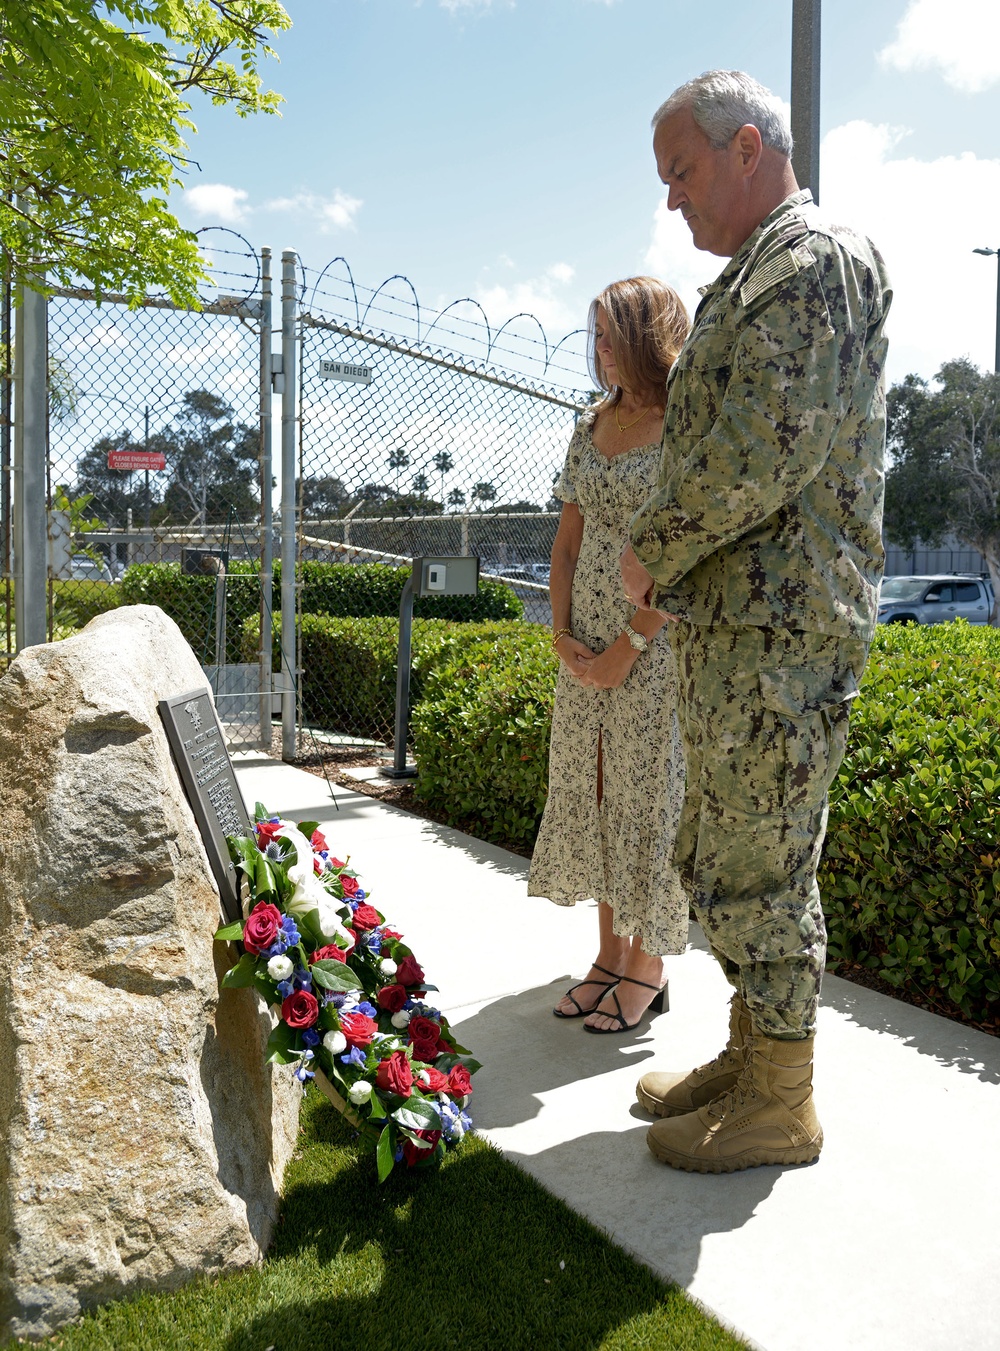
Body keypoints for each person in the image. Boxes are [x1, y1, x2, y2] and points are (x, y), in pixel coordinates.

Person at [620, 70, 891, 1169]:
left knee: (760, 858)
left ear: (746, 149)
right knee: (730, 843)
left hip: (781, 626)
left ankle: (783, 1096)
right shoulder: (760, 272)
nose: (672, 200)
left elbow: (759, 451)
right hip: (751, 622)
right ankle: (753, 1047)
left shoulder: (806, 259)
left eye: (681, 172)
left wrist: (651, 550)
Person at [529, 276, 690, 1034]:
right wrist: (562, 635)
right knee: (592, 791)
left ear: (646, 335)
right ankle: (606, 954)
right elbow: (566, 544)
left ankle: (647, 966)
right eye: (592, 336)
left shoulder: (684, 427)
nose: (598, 351)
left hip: (649, 648)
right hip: (582, 647)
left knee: (644, 796)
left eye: (609, 335)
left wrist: (627, 645)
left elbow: (684, 557)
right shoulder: (588, 423)